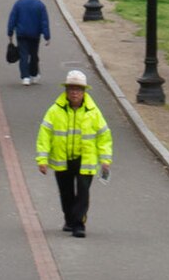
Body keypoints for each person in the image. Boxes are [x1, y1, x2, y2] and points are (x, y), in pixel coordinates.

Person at [36, 69, 112, 237]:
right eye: (71, 89)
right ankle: (69, 220)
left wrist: (105, 159)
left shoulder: (93, 112)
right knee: (66, 192)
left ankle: (79, 224)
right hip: (62, 159)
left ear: (84, 92)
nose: (74, 93)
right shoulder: (55, 111)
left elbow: (104, 136)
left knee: (83, 192)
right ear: (66, 91)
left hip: (85, 159)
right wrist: (42, 159)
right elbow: (44, 135)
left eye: (78, 90)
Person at [6, 0, 50, 85]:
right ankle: (34, 74)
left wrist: (10, 32)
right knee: (34, 54)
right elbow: (44, 22)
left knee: (23, 55)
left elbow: (12, 19)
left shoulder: (18, 3)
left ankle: (25, 77)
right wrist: (47, 36)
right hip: (35, 35)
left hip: (21, 34)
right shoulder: (40, 5)